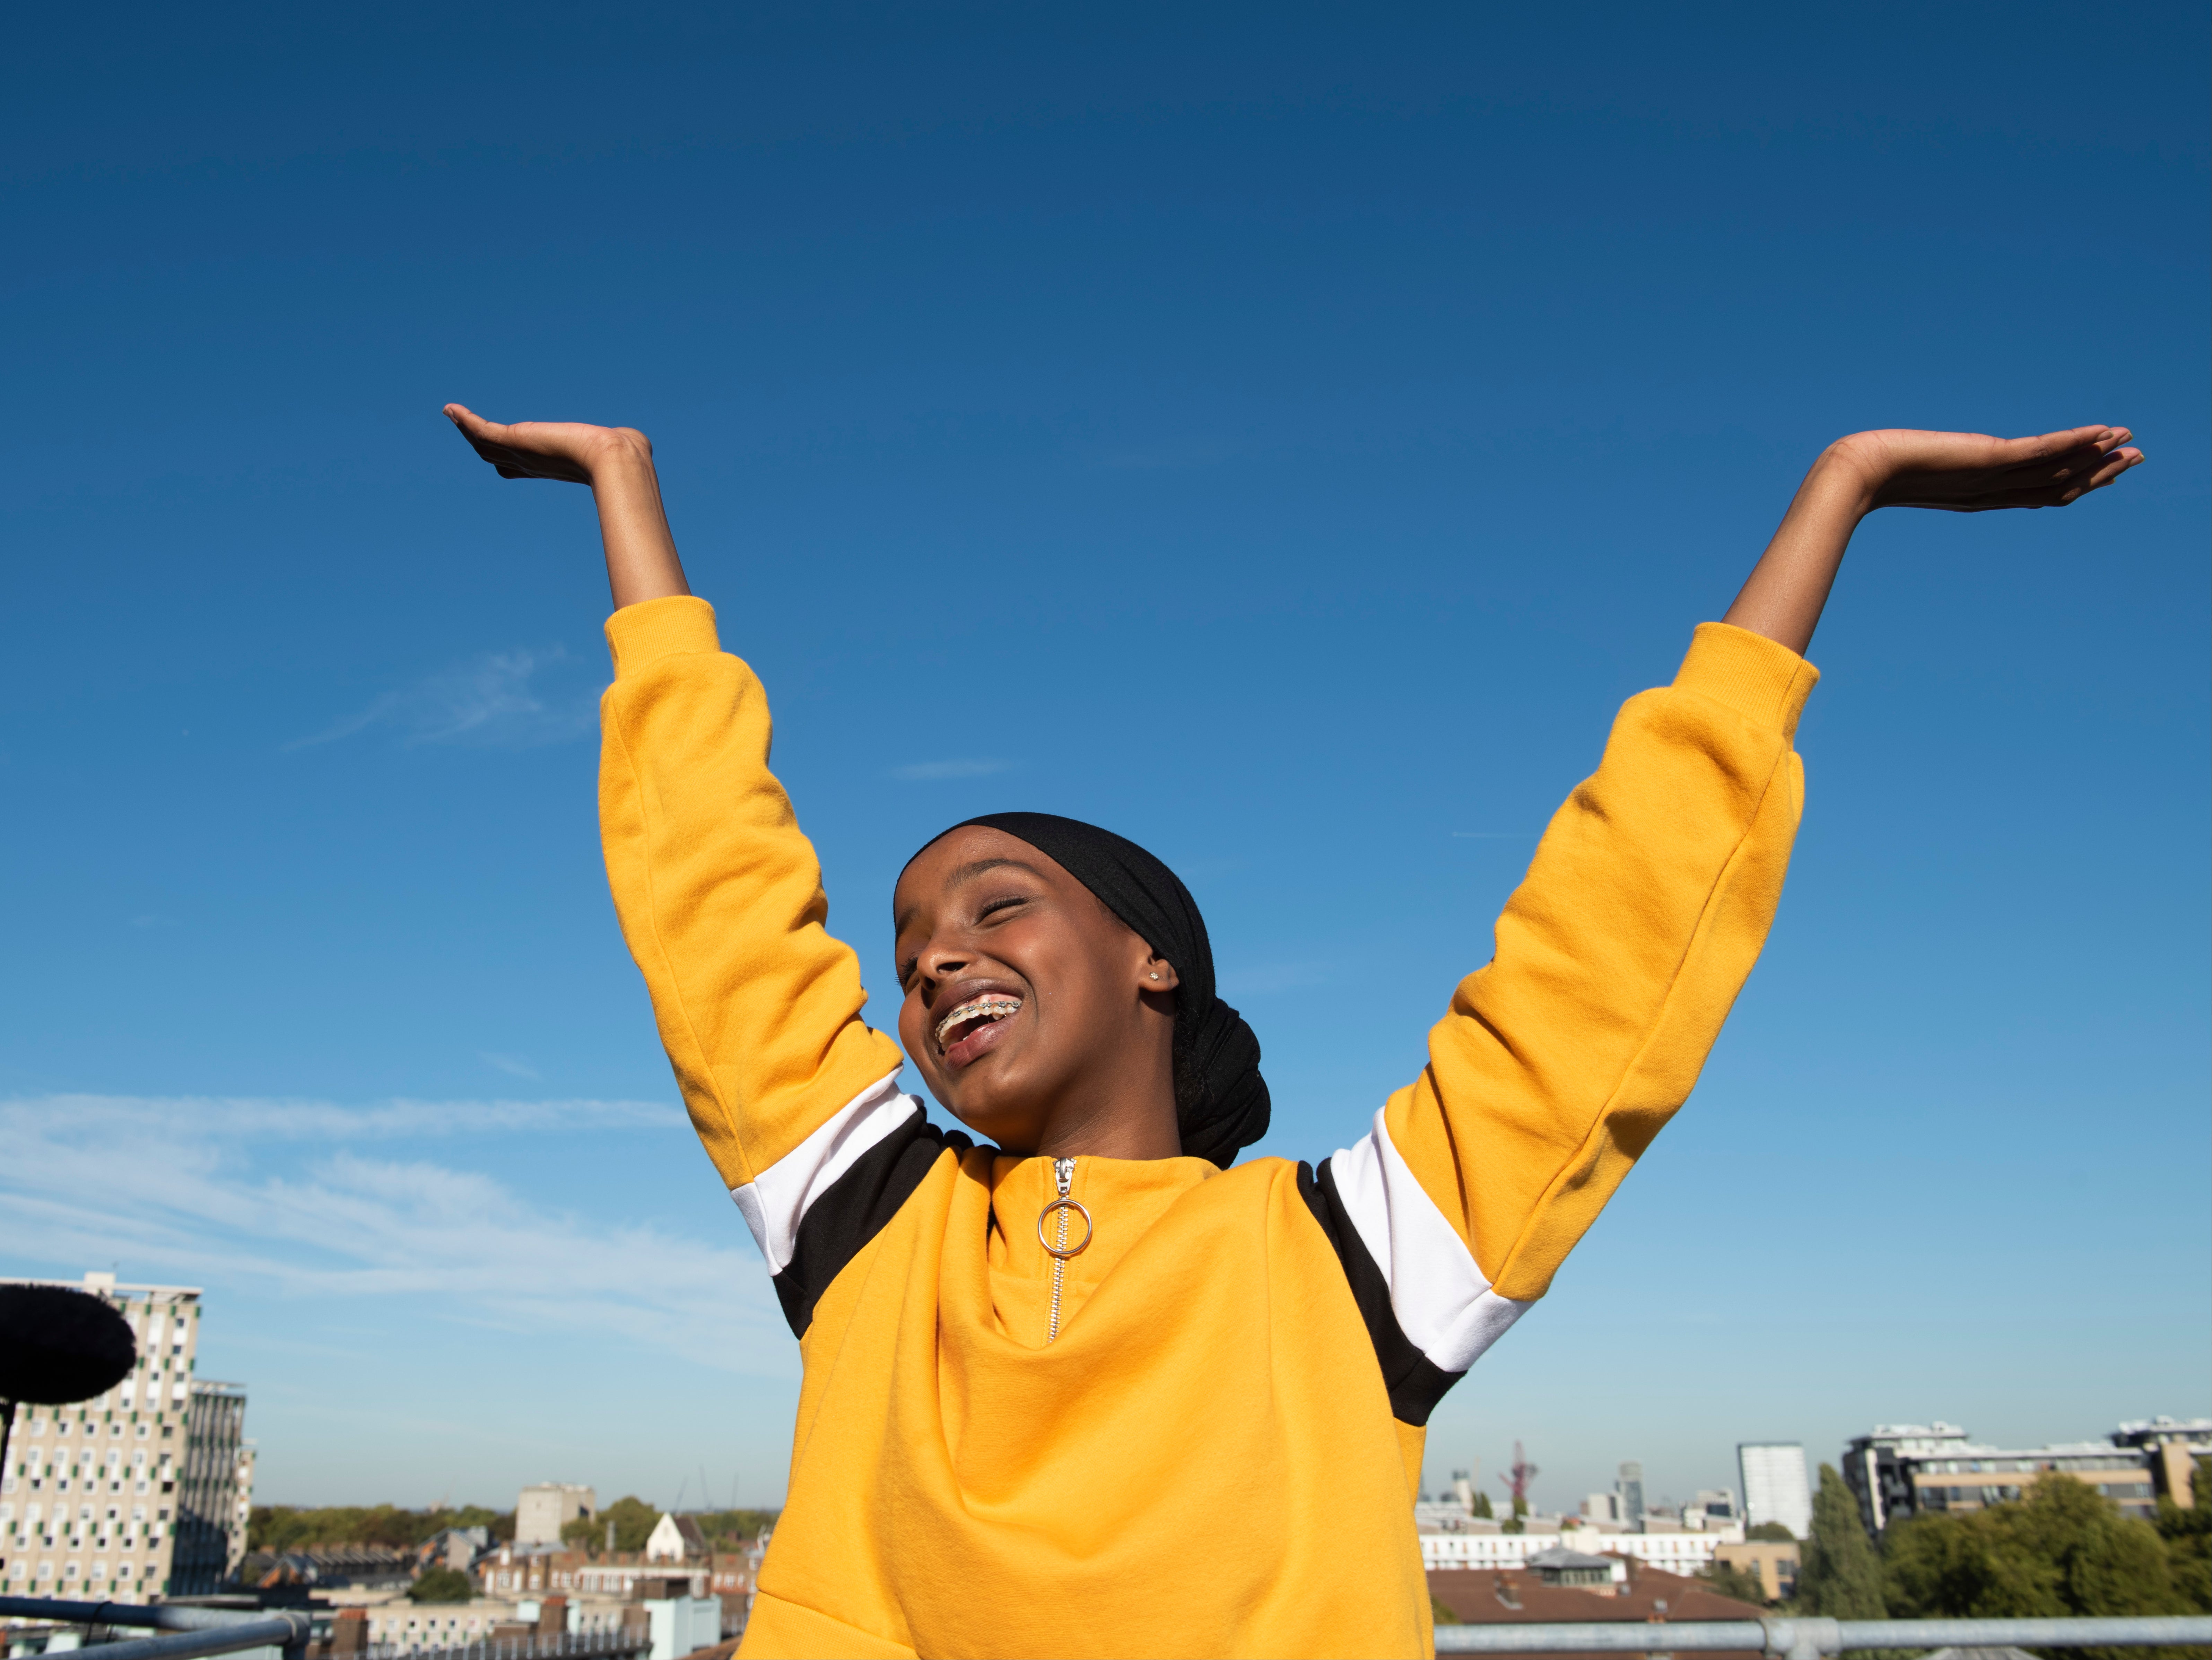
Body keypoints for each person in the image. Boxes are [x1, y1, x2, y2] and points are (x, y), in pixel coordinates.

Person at [445, 403, 2139, 1658]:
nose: (934, 960)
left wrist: (1835, 496)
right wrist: (629, 500)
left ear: (1150, 960)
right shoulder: (869, 1222)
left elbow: (1614, 944)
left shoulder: (1351, 1262)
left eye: (995, 903)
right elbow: (712, 892)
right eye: (906, 945)